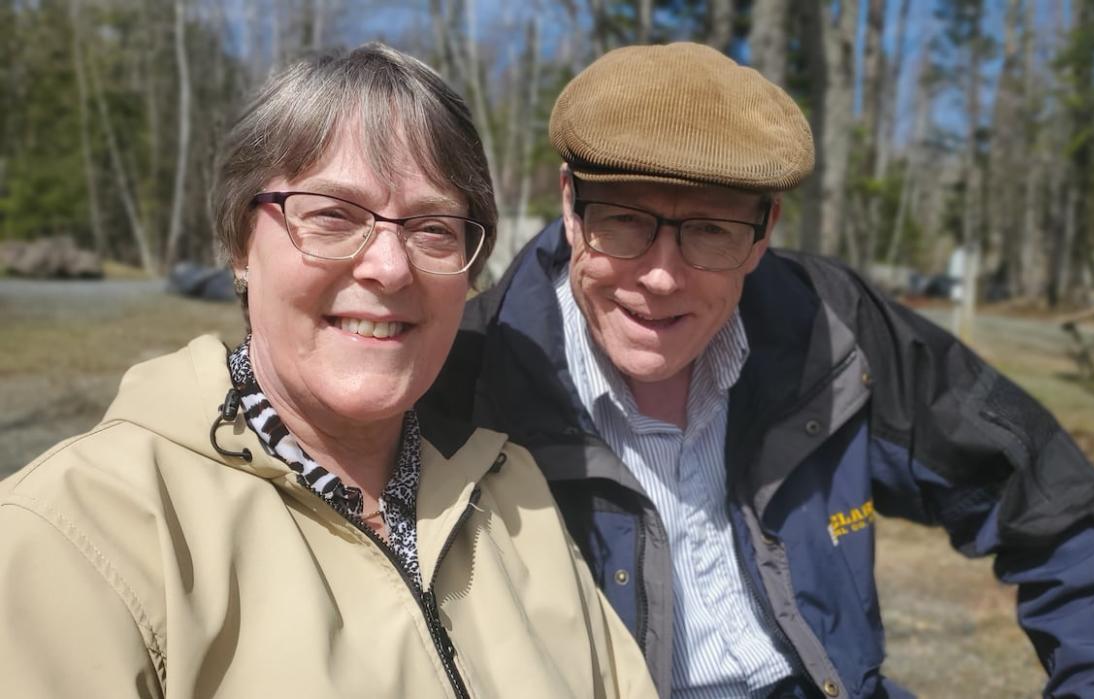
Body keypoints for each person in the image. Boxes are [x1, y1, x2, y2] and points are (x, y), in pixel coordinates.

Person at [426, 43, 1094, 698]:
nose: (659, 277)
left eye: (710, 232)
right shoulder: (465, 375)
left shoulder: (827, 326)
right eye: (624, 219)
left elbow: (1058, 508)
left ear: (764, 233)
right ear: (569, 201)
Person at [0, 44, 654, 699]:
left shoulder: (514, 495)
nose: (390, 267)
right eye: (334, 215)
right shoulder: (77, 533)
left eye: (432, 228)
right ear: (238, 243)